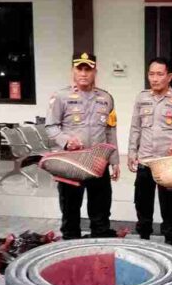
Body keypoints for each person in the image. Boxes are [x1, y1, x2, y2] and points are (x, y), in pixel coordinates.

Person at [45, 52, 120, 240]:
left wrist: (114, 160)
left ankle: (100, 243)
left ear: (95, 71)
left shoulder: (106, 98)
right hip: (72, 164)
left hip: (98, 162)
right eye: (80, 68)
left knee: (101, 209)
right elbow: (51, 126)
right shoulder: (61, 97)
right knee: (70, 210)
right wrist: (66, 140)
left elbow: (110, 130)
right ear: (73, 70)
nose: (84, 73)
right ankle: (71, 244)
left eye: (88, 69)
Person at [127, 57, 172, 246]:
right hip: (145, 160)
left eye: (159, 74)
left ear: (170, 76)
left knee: (168, 204)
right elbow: (135, 127)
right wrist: (132, 153)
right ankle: (144, 237)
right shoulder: (142, 98)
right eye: (151, 74)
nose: (154, 78)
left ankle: (169, 239)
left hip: (168, 162)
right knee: (142, 203)